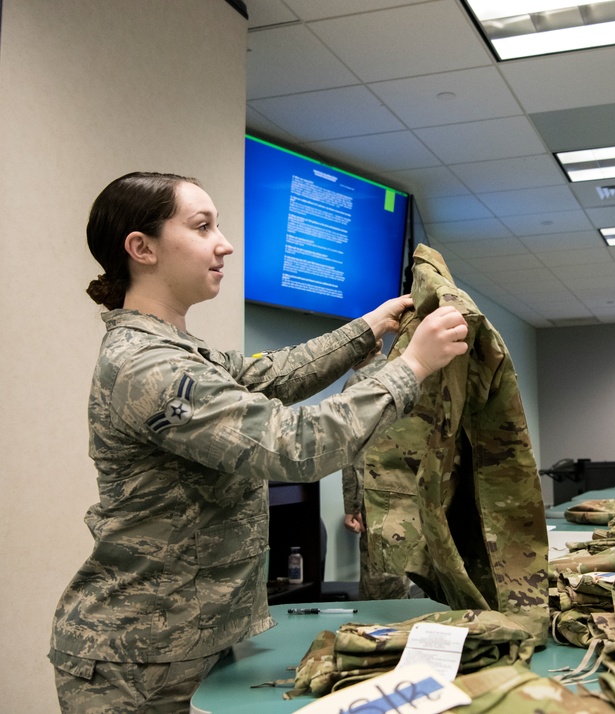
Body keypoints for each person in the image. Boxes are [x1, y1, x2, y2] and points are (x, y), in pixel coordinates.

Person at [49, 171, 469, 713]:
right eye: (203, 227)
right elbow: (295, 445)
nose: (223, 243)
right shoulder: (146, 367)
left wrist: (367, 328)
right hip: (132, 662)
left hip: (183, 644)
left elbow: (272, 374)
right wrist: (412, 368)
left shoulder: (181, 352)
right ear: (141, 248)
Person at [341, 352, 412, 600]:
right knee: (404, 576)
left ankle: (383, 638)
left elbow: (354, 451)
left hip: (379, 494)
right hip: (416, 488)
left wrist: (352, 504)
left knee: (381, 588)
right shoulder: (408, 370)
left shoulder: (362, 381)